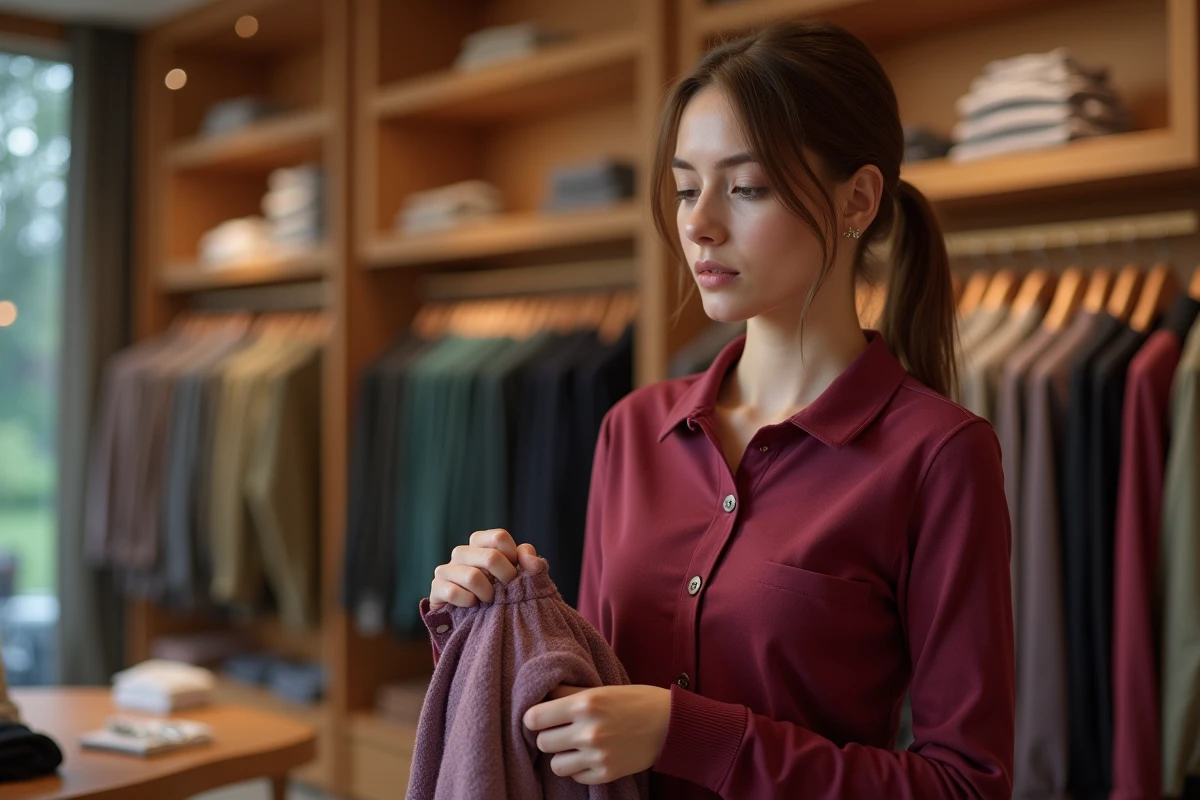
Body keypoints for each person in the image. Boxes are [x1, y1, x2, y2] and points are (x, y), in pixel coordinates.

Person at [426, 20, 1014, 799]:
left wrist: (687, 734)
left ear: (859, 200)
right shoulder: (633, 429)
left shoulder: (940, 455)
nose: (698, 222)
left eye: (745, 186)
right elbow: (584, 712)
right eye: (683, 187)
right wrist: (476, 625)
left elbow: (967, 785)